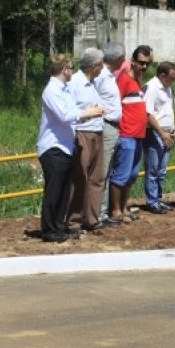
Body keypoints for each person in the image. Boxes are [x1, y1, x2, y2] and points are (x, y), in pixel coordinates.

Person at [36, 54, 104, 242]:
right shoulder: (51, 90)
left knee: (64, 190)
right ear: (65, 69)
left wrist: (86, 113)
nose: (73, 71)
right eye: (72, 67)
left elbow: (73, 111)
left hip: (66, 147)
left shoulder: (64, 90)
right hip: (53, 147)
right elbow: (65, 115)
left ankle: (59, 226)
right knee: (54, 190)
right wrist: (86, 113)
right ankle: (49, 230)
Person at [66, 48, 108, 233]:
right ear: (93, 66)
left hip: (97, 132)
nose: (102, 68)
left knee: (96, 178)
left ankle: (92, 219)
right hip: (82, 133)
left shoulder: (93, 84)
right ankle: (73, 221)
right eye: (100, 65)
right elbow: (69, 111)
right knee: (79, 178)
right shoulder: (74, 83)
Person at [108, 46, 151, 223]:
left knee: (131, 175)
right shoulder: (124, 81)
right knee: (121, 174)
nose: (144, 66)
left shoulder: (137, 82)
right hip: (126, 135)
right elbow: (115, 104)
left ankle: (124, 207)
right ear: (132, 62)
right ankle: (116, 210)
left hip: (138, 136)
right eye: (141, 62)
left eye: (148, 63)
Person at [143, 61, 175, 214]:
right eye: (172, 76)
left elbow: (165, 111)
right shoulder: (151, 88)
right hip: (155, 133)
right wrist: (161, 132)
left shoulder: (167, 89)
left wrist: (171, 129)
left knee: (162, 170)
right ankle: (151, 202)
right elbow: (148, 114)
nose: (174, 80)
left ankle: (158, 199)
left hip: (166, 133)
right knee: (153, 169)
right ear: (162, 75)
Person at [96, 41, 125, 225]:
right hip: (105, 125)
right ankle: (99, 214)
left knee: (108, 170)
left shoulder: (110, 76)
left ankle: (103, 212)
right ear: (117, 58)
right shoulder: (100, 76)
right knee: (102, 171)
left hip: (113, 126)